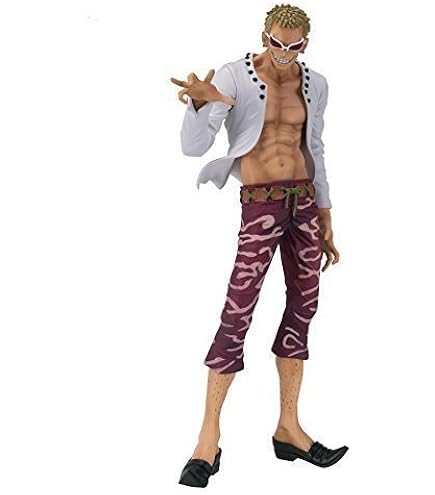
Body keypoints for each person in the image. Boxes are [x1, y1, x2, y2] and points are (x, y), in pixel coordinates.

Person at [170, 4, 348, 487]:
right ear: (263, 35)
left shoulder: (316, 83)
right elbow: (193, 147)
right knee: (237, 311)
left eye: (294, 45)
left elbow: (315, 146)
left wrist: (326, 214)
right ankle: (207, 439)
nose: (284, 52)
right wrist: (200, 105)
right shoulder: (234, 76)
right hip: (261, 203)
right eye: (276, 42)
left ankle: (289, 428)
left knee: (304, 308)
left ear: (305, 43)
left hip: (304, 203)